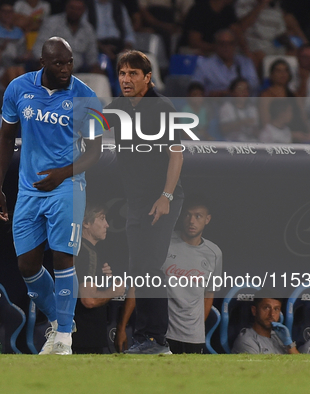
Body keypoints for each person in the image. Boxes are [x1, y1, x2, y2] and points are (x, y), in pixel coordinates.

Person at [0, 37, 102, 355]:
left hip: (67, 186)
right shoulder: (17, 89)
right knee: (27, 265)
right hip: (28, 190)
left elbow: (95, 151)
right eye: (59, 63)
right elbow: (6, 140)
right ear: (43, 63)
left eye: (69, 62)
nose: (66, 69)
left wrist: (63, 174)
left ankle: (64, 339)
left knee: (63, 257)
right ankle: (59, 320)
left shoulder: (87, 96)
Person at [105, 50, 184, 354]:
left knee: (149, 266)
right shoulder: (121, 106)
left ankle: (156, 340)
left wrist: (165, 197)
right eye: (122, 73)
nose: (126, 79)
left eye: (133, 73)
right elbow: (93, 125)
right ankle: (144, 339)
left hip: (162, 199)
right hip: (137, 201)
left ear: (147, 78)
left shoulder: (161, 107)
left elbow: (176, 154)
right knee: (139, 269)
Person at [115, 195, 222, 354]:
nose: (191, 221)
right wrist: (122, 327)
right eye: (187, 215)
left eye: (198, 216)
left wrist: (196, 328)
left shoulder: (214, 253)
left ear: (208, 219)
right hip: (163, 334)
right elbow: (139, 285)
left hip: (194, 338)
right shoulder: (164, 242)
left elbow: (209, 294)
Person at [73, 203, 125, 354]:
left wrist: (104, 279)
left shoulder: (78, 249)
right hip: (86, 338)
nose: (107, 225)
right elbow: (89, 301)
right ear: (86, 223)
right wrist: (113, 292)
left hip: (75, 335)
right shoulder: (89, 254)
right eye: (101, 219)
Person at [32, 0, 101, 73]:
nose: (75, 11)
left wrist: (95, 67)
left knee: (100, 78)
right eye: (72, 8)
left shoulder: (88, 29)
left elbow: (92, 57)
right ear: (66, 8)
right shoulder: (52, 23)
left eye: (78, 9)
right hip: (53, 71)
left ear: (84, 11)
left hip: (78, 72)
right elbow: (38, 48)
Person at [191, 29, 260, 97]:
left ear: (235, 45)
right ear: (216, 45)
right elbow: (195, 90)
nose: (226, 47)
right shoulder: (204, 65)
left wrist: (240, 90)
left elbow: (254, 85)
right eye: (222, 43)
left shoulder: (246, 62)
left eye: (230, 43)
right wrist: (221, 93)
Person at [232, 298, 299, 354]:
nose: (272, 314)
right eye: (266, 308)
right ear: (254, 311)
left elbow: (302, 366)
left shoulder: (280, 337)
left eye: (276, 309)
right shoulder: (246, 341)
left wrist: (289, 344)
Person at [219, 77, 260, 141]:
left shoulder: (252, 108)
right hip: (232, 144)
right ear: (232, 92)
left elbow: (256, 129)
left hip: (251, 143)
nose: (243, 92)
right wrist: (242, 122)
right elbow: (223, 129)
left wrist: (256, 131)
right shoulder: (226, 107)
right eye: (240, 89)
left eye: (246, 90)